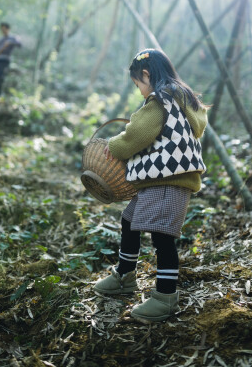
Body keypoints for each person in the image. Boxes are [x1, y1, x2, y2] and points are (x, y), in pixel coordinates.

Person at [93, 48, 208, 323]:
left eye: (138, 85)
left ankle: (165, 297)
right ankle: (124, 275)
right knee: (129, 221)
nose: (140, 91)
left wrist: (113, 146)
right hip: (160, 179)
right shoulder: (183, 99)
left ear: (146, 75)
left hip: (169, 179)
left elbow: (136, 134)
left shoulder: (160, 101)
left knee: (162, 237)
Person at [0, 22, 21, 96]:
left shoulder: (12, 38)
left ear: (8, 29)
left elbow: (19, 44)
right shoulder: (0, 40)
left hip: (5, 60)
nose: (3, 31)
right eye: (2, 29)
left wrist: (11, 42)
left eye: (4, 29)